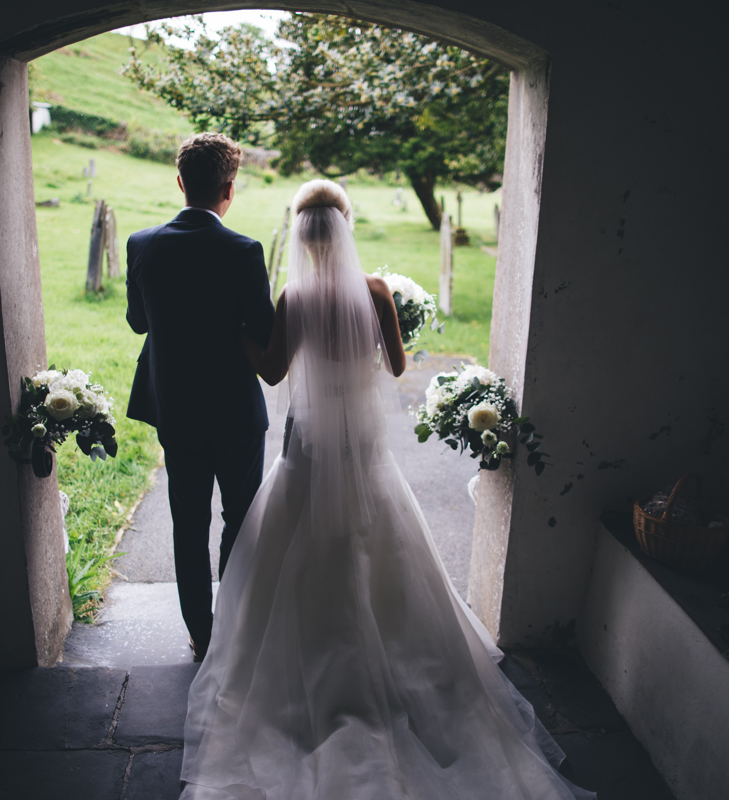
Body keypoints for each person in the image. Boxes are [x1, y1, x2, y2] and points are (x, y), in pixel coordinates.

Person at [179, 179, 595, 799]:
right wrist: (378, 330)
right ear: (345, 226)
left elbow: (271, 370)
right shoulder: (374, 291)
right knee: (380, 544)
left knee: (297, 548)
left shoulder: (294, 295)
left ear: (302, 236)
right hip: (363, 450)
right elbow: (398, 367)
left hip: (310, 449)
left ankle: (305, 668)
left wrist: (238, 332)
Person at [125, 133, 275, 663]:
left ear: (182, 182)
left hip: (178, 410)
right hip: (236, 412)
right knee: (241, 518)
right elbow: (264, 333)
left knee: (188, 522)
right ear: (228, 190)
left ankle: (201, 633)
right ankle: (234, 624)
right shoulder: (244, 251)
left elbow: (138, 321)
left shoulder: (142, 245)